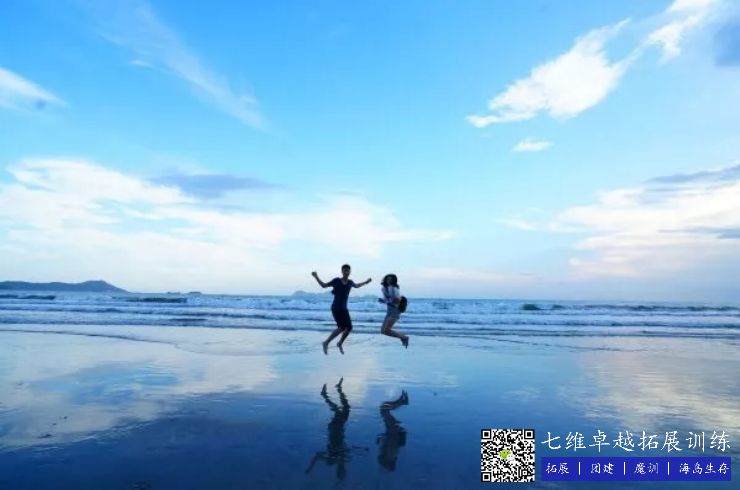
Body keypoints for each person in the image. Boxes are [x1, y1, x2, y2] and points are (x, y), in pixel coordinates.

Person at [312, 265, 371, 354]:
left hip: (344, 308)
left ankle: (339, 343)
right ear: (342, 271)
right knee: (342, 327)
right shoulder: (336, 280)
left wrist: (366, 282)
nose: (346, 272)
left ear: (350, 272)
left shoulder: (350, 282)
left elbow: (357, 285)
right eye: (344, 270)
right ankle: (326, 342)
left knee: (349, 327)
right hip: (336, 307)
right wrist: (316, 276)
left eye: (348, 270)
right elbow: (323, 285)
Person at [379, 274, 409, 348]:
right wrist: (383, 300)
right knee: (383, 331)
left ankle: (404, 337)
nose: (389, 280)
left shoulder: (394, 288)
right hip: (389, 312)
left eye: (391, 279)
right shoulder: (385, 288)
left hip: (395, 311)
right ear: (385, 279)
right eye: (387, 279)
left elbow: (397, 300)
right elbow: (389, 300)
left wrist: (386, 301)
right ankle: (403, 337)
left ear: (393, 281)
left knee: (387, 330)